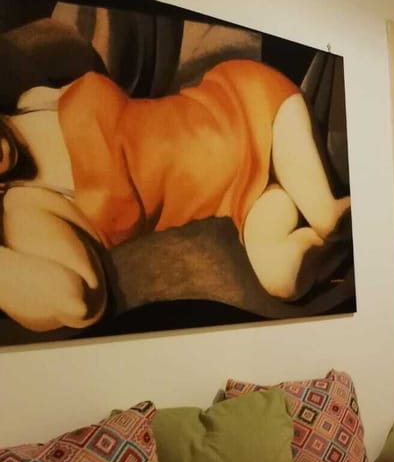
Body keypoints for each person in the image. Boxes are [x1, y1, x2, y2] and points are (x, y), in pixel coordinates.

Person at [0, 59, 350, 332]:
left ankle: (347, 229)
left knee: (326, 218)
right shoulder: (24, 206)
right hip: (243, 198)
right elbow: (77, 304)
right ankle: (352, 245)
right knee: (282, 278)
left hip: (242, 106)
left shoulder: (33, 101)